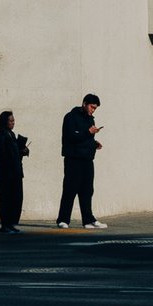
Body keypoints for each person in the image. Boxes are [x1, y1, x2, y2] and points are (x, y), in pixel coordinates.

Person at [56, 93, 107, 229]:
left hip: (87, 159)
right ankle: (63, 219)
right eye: (92, 107)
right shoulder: (70, 117)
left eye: (95, 108)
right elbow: (71, 136)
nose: (93, 110)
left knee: (87, 190)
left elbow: (85, 137)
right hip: (73, 159)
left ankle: (88, 220)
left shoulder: (90, 119)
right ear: (84, 104)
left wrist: (94, 143)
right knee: (70, 189)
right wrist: (88, 133)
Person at [0, 110, 29, 234]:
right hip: (5, 174)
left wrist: (22, 151)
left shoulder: (11, 135)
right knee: (6, 199)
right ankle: (5, 225)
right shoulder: (1, 137)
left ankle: (11, 223)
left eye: (13, 120)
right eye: (10, 120)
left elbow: (14, 154)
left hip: (15, 173)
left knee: (16, 199)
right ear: (4, 122)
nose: (13, 122)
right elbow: (5, 156)